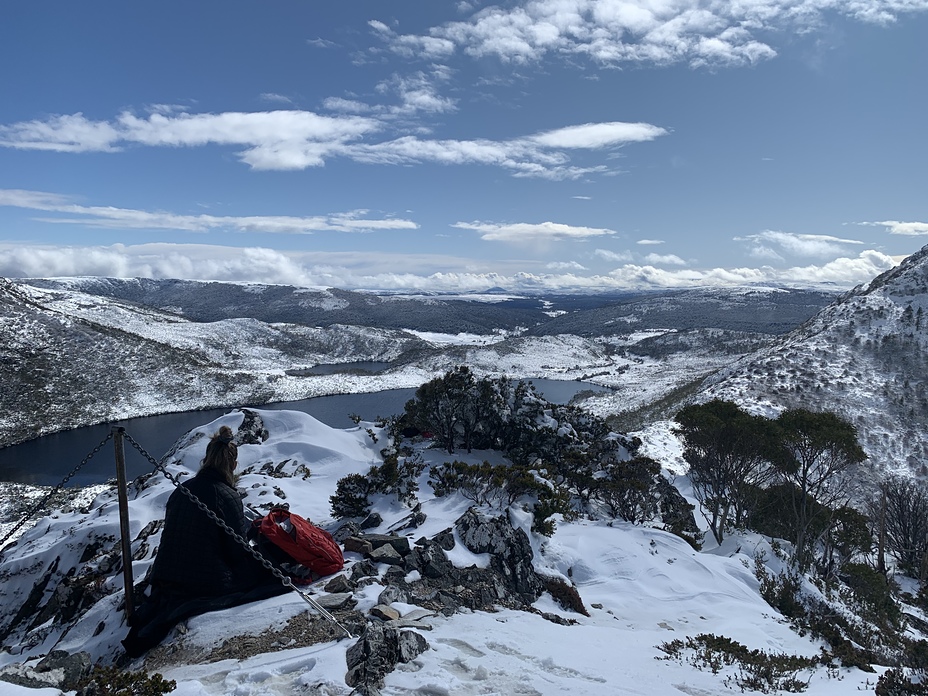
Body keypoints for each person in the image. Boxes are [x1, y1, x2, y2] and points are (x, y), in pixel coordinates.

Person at [122, 425, 289, 658]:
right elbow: (236, 551)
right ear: (233, 464)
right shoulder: (227, 495)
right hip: (206, 580)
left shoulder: (182, 490)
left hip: (168, 576)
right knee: (268, 572)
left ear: (206, 459)